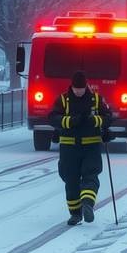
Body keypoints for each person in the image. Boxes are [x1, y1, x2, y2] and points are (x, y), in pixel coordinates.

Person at [48, 70, 113, 226]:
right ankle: (75, 214)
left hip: (91, 146)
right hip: (69, 147)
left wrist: (95, 120)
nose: (78, 91)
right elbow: (52, 118)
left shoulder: (96, 100)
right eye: (76, 89)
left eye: (81, 89)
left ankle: (87, 204)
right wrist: (70, 121)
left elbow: (108, 117)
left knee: (90, 175)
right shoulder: (63, 100)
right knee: (70, 180)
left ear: (86, 86)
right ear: (72, 86)